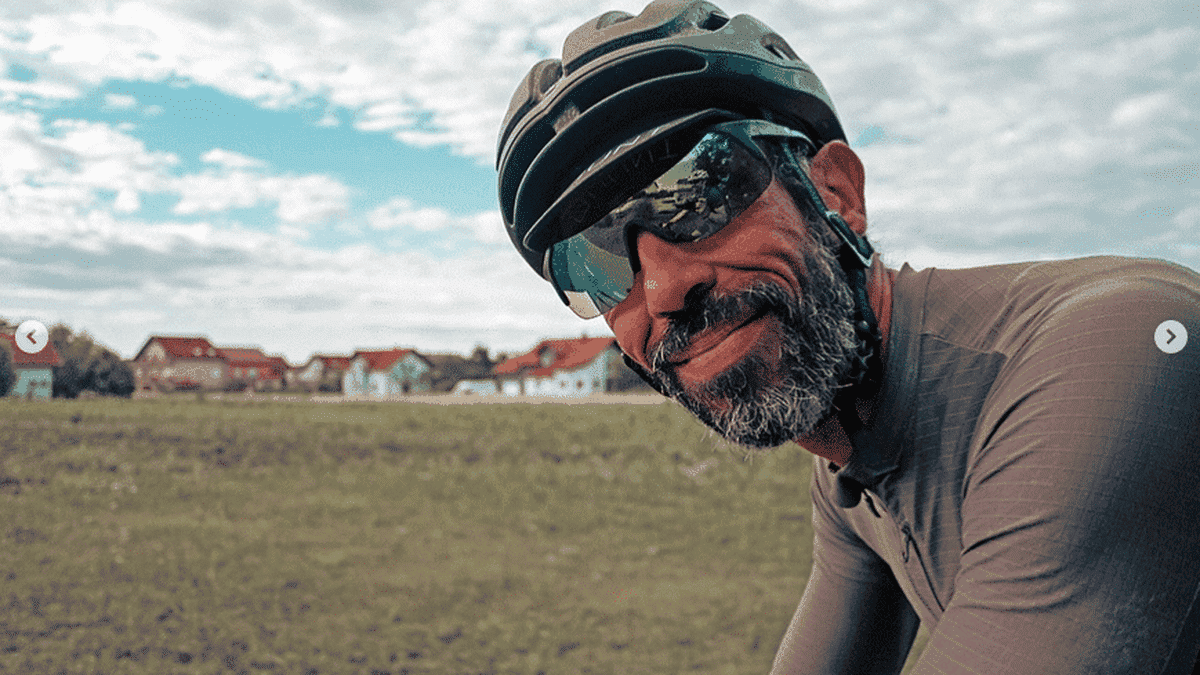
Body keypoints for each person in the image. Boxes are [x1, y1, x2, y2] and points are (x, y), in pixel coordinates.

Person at [495, 1, 1200, 672]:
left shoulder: (1116, 353)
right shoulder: (852, 463)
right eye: (597, 259)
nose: (662, 289)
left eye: (700, 192)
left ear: (835, 192)